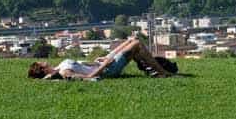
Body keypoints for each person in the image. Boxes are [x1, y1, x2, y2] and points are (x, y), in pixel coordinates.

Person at [27, 35, 172, 80]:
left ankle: (152, 68)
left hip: (100, 64)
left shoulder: (59, 67)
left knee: (131, 41)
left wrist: (97, 61)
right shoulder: (64, 72)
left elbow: (83, 66)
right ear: (43, 69)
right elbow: (89, 76)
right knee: (137, 44)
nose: (41, 60)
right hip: (107, 70)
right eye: (40, 63)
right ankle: (162, 72)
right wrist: (105, 64)